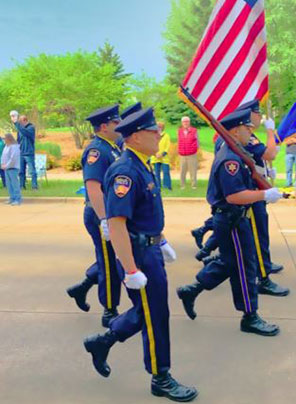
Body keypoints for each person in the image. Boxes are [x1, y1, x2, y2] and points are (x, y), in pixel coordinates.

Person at [84, 107, 198, 402]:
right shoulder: (126, 171)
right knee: (156, 315)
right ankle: (161, 377)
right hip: (138, 254)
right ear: (135, 136)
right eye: (153, 131)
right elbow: (118, 224)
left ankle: (104, 341)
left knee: (150, 310)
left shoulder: (141, 164)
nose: (159, 134)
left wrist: (161, 240)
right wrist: (131, 269)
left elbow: (143, 216)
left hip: (149, 249)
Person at [178, 108, 284, 336]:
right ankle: (250, 316)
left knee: (230, 263)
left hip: (234, 219)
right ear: (236, 130)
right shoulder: (231, 160)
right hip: (232, 219)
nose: (251, 131)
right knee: (246, 268)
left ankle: (192, 289)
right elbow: (234, 196)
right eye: (248, 127)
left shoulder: (237, 153)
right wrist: (264, 195)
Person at [66, 104, 123, 327]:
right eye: (115, 122)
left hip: (112, 213)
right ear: (104, 126)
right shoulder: (97, 151)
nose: (119, 125)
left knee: (109, 257)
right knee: (109, 262)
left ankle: (81, 288)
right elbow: (93, 187)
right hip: (101, 213)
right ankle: (109, 310)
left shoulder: (113, 148)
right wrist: (104, 219)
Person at [10, 113, 38, 190]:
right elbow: (18, 141)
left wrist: (16, 123)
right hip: (21, 153)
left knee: (32, 171)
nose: (19, 123)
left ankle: (34, 186)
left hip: (29, 153)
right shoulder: (20, 130)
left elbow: (25, 132)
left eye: (20, 121)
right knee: (21, 171)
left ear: (25, 120)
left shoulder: (31, 128)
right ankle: (22, 186)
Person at [177, 116, 199, 189]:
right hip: (182, 154)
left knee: (193, 170)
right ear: (182, 123)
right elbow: (178, 141)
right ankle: (182, 185)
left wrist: (195, 149)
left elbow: (197, 141)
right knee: (182, 170)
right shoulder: (179, 131)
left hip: (192, 154)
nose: (185, 123)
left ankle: (194, 185)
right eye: (184, 122)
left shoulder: (194, 130)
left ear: (189, 122)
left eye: (187, 121)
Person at [1, 133, 21, 205]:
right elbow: (3, 157)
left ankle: (17, 199)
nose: (4, 140)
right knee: (9, 184)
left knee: (15, 184)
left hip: (13, 168)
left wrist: (7, 165)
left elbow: (13, 158)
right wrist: (2, 164)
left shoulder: (14, 146)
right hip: (6, 168)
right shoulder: (6, 146)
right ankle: (12, 198)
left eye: (5, 138)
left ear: (9, 139)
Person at [151, 121, 172, 190]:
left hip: (164, 157)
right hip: (155, 157)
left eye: (160, 127)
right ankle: (158, 186)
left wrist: (163, 154)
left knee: (166, 172)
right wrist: (155, 153)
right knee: (156, 173)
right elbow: (151, 145)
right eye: (157, 127)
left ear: (162, 128)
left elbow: (168, 146)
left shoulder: (166, 136)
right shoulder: (153, 135)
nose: (159, 128)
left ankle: (167, 186)